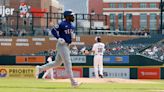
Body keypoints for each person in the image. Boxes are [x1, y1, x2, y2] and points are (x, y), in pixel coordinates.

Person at [35, 9, 81, 87]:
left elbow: (71, 34)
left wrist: (72, 38)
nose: (73, 17)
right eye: (71, 15)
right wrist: (58, 37)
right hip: (61, 45)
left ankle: (40, 69)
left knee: (57, 63)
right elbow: (53, 30)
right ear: (67, 17)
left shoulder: (72, 25)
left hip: (67, 45)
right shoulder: (62, 23)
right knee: (68, 62)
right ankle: (73, 82)